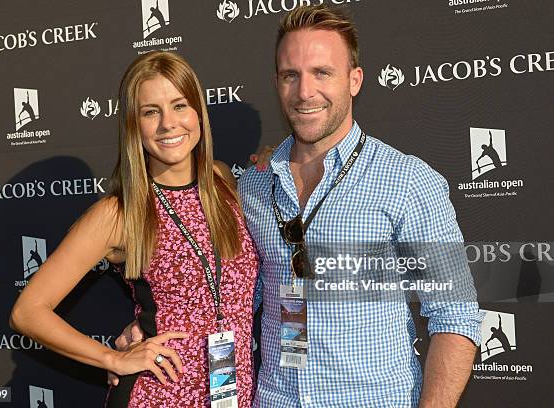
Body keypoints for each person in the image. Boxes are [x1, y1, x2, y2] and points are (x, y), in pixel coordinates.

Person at [115, 5, 483, 407]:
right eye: (292, 75)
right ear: (277, 83)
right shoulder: (252, 186)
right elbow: (235, 292)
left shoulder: (408, 181)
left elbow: (455, 317)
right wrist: (154, 327)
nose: (305, 91)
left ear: (354, 80)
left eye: (322, 72)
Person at [10, 51, 259, 407]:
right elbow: (27, 311)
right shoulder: (119, 213)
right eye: (150, 112)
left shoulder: (221, 180)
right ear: (132, 124)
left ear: (198, 113)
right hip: (157, 395)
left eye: (179, 105)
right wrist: (110, 358)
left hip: (232, 394)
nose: (168, 124)